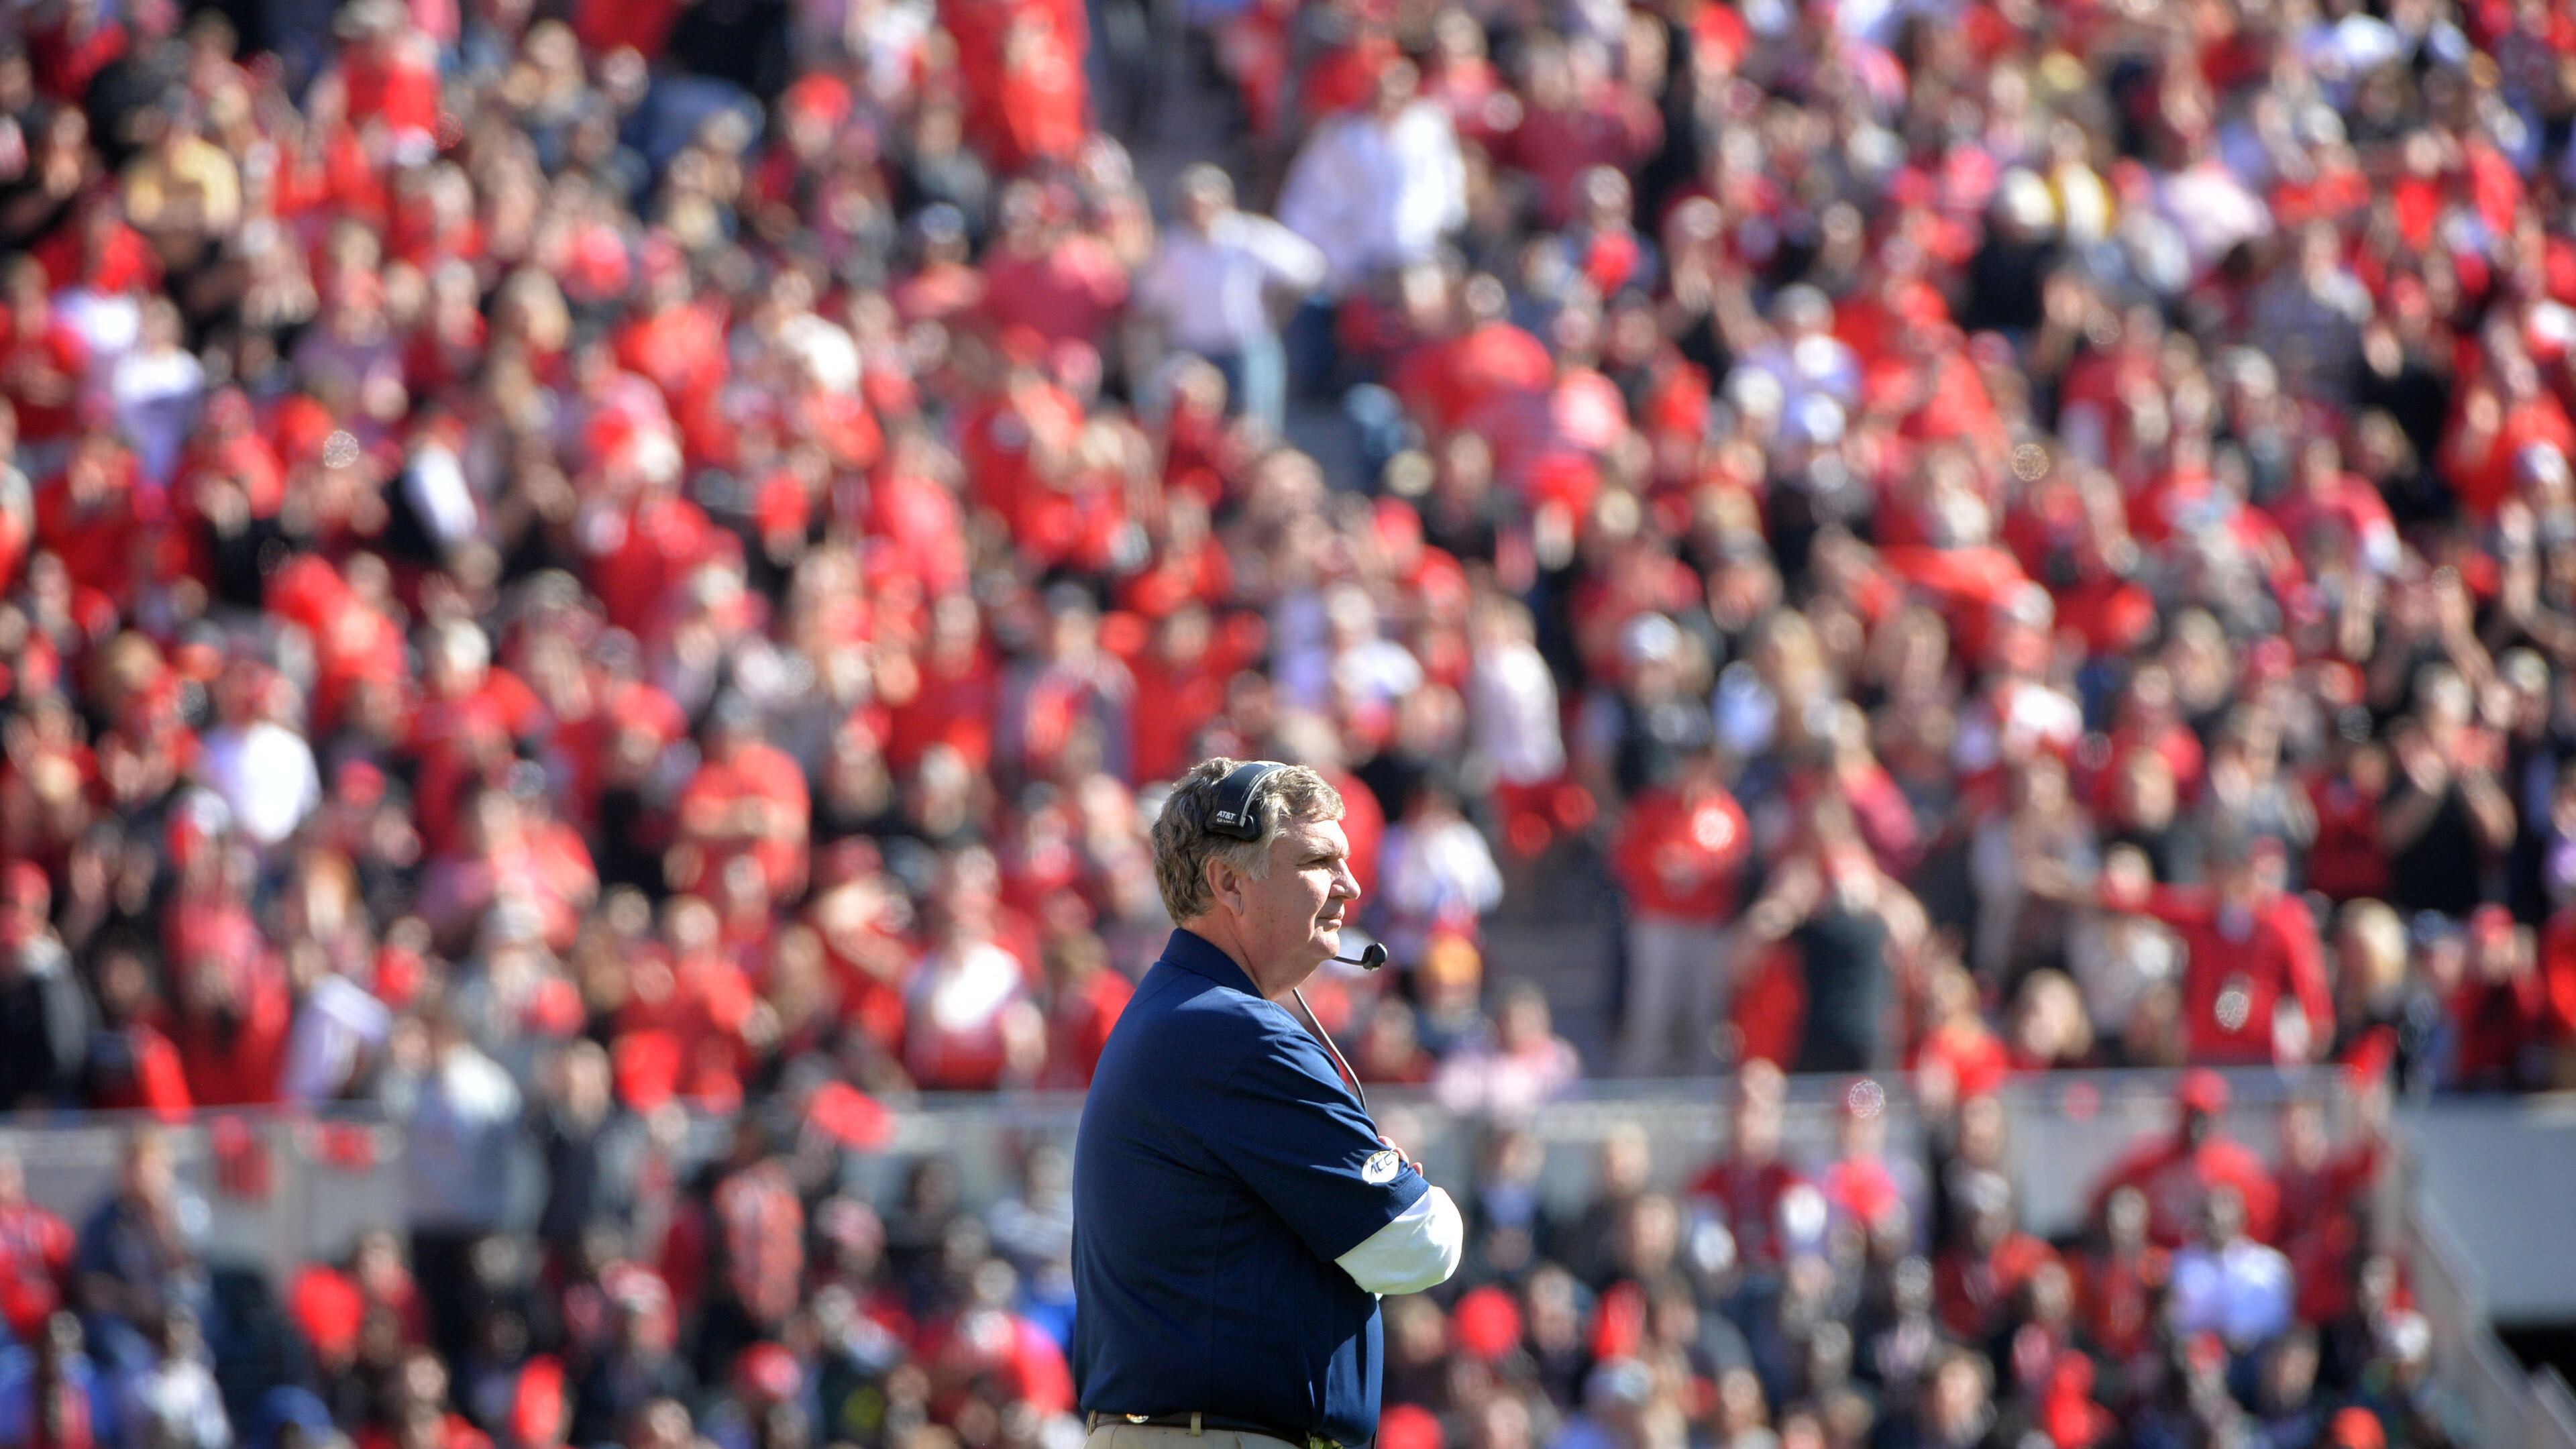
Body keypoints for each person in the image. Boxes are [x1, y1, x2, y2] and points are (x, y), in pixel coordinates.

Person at [1073, 759, 1462, 1449]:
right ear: (1229, 883)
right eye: (1318, 860)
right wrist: (1414, 1190)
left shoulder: (1184, 1013)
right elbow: (1416, 1244)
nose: (1351, 885)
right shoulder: (1234, 1034)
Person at [1133, 164, 1327, 435]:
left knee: (1255, 431)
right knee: (1196, 432)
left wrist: (1277, 304)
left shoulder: (1249, 236)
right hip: (1194, 351)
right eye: (1193, 204)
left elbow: (1308, 267)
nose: (1200, 211)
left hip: (1245, 347)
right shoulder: (1175, 247)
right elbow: (1150, 300)